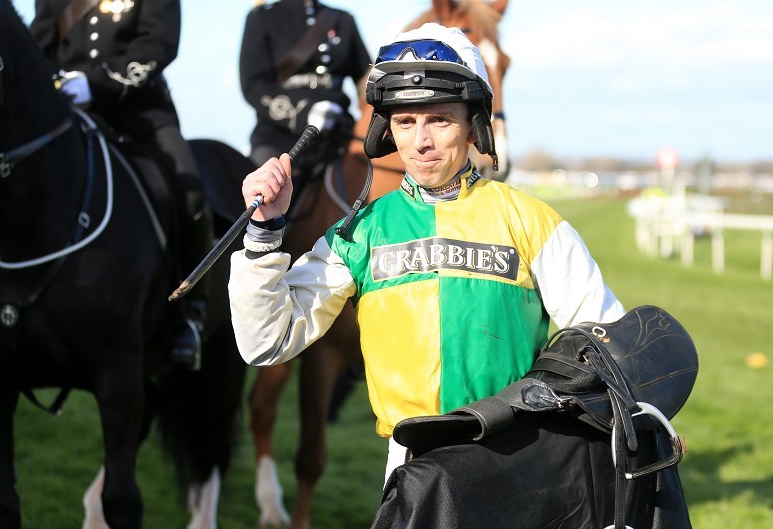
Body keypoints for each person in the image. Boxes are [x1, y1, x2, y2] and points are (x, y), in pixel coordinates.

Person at [229, 23, 626, 481]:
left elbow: (607, 345)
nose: (420, 142)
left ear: (473, 123)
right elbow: (265, 342)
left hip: (520, 464)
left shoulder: (534, 222)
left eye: (439, 118)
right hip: (411, 474)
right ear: (386, 131)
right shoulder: (360, 232)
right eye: (405, 121)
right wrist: (264, 232)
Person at [31, 0, 212, 369]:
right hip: (65, 108)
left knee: (191, 196)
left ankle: (190, 314)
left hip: (139, 109)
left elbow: (160, 42)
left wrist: (96, 83)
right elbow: (39, 45)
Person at [239, 0, 371, 173]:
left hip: (338, 132)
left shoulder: (343, 19)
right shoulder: (263, 18)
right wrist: (304, 112)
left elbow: (367, 82)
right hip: (280, 137)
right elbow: (254, 86)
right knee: (263, 192)